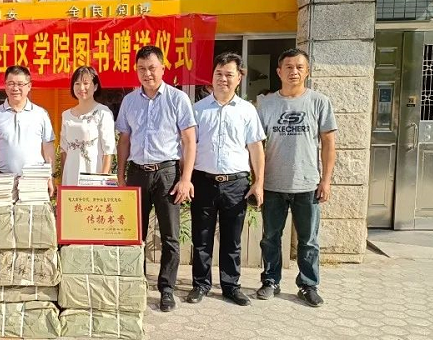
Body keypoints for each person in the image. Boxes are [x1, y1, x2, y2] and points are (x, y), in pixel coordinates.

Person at [116, 46, 197, 312]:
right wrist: (120, 176)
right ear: (136, 70)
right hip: (137, 173)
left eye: (152, 68)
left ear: (163, 68)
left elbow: (189, 141)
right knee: (133, 234)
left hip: (167, 173)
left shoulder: (177, 99)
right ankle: (135, 283)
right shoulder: (129, 101)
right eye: (142, 69)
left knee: (170, 235)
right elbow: (124, 140)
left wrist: (185, 178)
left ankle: (166, 289)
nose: (147, 73)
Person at [255, 48, 337, 307]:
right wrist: (257, 181)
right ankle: (271, 281)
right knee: (270, 237)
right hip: (273, 184)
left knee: (308, 240)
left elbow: (328, 143)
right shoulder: (266, 104)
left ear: (307, 71)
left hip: (307, 184)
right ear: (279, 72)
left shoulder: (319, 102)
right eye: (289, 67)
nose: (294, 72)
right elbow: (256, 146)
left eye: (300, 67)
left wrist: (326, 180)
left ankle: (308, 285)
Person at [188, 53, 265, 307]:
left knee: (232, 239)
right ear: (211, 77)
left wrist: (258, 182)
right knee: (202, 237)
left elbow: (256, 148)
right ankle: (200, 284)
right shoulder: (198, 109)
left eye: (229, 74)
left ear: (239, 78)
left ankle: (231, 286)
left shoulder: (247, 110)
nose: (223, 79)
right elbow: (188, 148)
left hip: (236, 184)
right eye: (218, 74)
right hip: (203, 181)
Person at [0, 66, 55, 195]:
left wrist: (50, 177)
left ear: (29, 86)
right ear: (5, 86)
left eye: (20, 84)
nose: (15, 88)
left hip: (35, 179)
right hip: (3, 179)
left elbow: (48, 147)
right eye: (11, 83)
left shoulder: (41, 114)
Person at [60, 66, 116, 186]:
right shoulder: (66, 115)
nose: (81, 88)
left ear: (95, 86)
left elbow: (108, 151)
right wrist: (63, 180)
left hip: (94, 175)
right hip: (71, 175)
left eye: (86, 83)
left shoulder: (103, 112)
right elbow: (64, 150)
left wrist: (102, 180)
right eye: (77, 83)